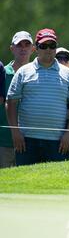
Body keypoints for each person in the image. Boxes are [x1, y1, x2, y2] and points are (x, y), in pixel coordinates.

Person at [5, 28, 69, 166]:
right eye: (43, 46)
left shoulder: (68, 74)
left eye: (52, 45)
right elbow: (11, 102)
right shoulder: (23, 72)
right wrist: (15, 133)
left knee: (55, 184)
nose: (48, 49)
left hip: (57, 141)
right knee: (25, 184)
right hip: (26, 140)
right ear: (36, 48)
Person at [0, 31, 34, 168]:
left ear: (33, 49)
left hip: (30, 143)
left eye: (27, 44)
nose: (23, 48)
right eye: (19, 45)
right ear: (12, 49)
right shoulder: (2, 73)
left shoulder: (38, 74)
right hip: (4, 142)